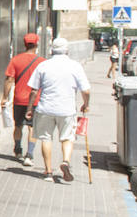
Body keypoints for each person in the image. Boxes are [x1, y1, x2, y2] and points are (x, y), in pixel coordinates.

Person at [27, 37, 92, 183]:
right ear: (67, 50)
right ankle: (66, 161)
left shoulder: (43, 65)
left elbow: (33, 90)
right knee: (68, 138)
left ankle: (48, 172)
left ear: (52, 50)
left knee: (46, 138)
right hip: (67, 110)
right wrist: (86, 104)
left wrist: (30, 108)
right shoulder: (75, 66)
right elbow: (86, 90)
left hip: (45, 108)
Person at [1, 33, 43, 166]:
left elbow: (9, 80)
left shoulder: (15, 60)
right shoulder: (42, 62)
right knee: (32, 128)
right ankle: (29, 155)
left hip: (19, 99)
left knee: (18, 125)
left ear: (25, 44)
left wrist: (4, 97)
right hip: (35, 100)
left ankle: (18, 149)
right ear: (36, 44)